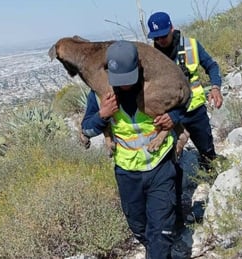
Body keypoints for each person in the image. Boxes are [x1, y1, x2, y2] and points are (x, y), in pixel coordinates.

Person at [81, 40, 182, 258]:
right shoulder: (99, 94)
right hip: (127, 172)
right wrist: (102, 115)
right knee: (139, 228)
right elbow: (87, 129)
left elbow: (185, 105)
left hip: (160, 166)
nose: (125, 85)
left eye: (129, 78)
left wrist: (173, 117)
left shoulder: (155, 84)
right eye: (119, 80)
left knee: (161, 230)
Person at [147, 11, 224, 171]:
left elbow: (212, 66)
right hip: (169, 116)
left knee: (207, 151)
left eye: (163, 36)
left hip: (194, 111)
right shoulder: (151, 56)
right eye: (156, 37)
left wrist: (215, 87)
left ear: (171, 29)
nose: (160, 40)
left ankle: (210, 175)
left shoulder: (191, 45)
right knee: (170, 158)